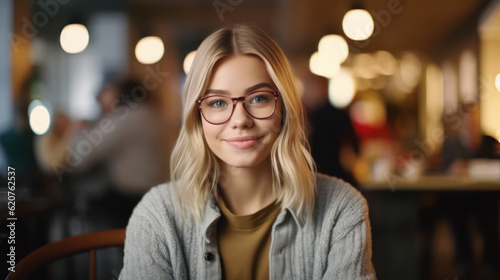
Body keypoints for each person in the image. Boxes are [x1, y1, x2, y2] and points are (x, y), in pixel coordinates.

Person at [120, 25, 375, 279]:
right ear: (197, 117)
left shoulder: (341, 209)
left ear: (284, 107)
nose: (240, 120)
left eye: (259, 98)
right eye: (217, 102)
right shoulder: (158, 215)